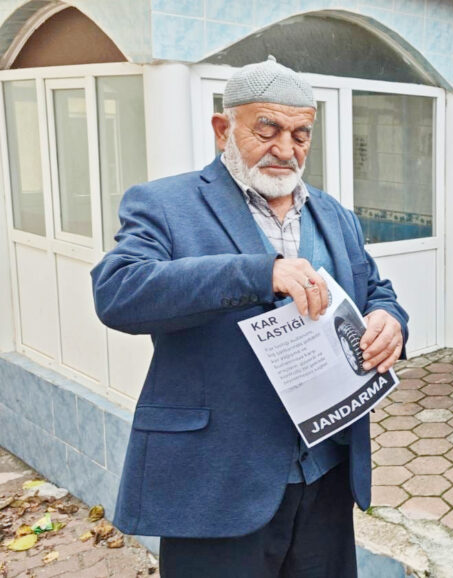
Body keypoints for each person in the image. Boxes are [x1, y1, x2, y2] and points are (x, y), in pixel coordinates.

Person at [91, 57, 408, 577]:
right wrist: (259, 274)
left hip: (325, 475)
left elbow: (377, 290)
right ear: (224, 129)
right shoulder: (166, 204)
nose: (286, 149)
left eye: (301, 134)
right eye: (268, 129)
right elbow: (118, 291)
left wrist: (389, 321)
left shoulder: (334, 214)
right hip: (217, 480)